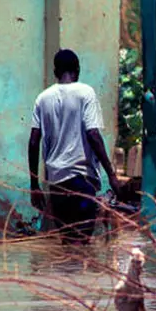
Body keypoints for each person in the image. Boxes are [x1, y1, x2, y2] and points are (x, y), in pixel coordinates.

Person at [28, 49, 121, 244]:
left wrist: (34, 184)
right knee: (82, 247)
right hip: (81, 182)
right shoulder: (85, 93)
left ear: (55, 72)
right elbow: (93, 134)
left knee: (68, 245)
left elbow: (34, 141)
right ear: (77, 70)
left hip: (56, 184)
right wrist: (111, 175)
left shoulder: (42, 98)